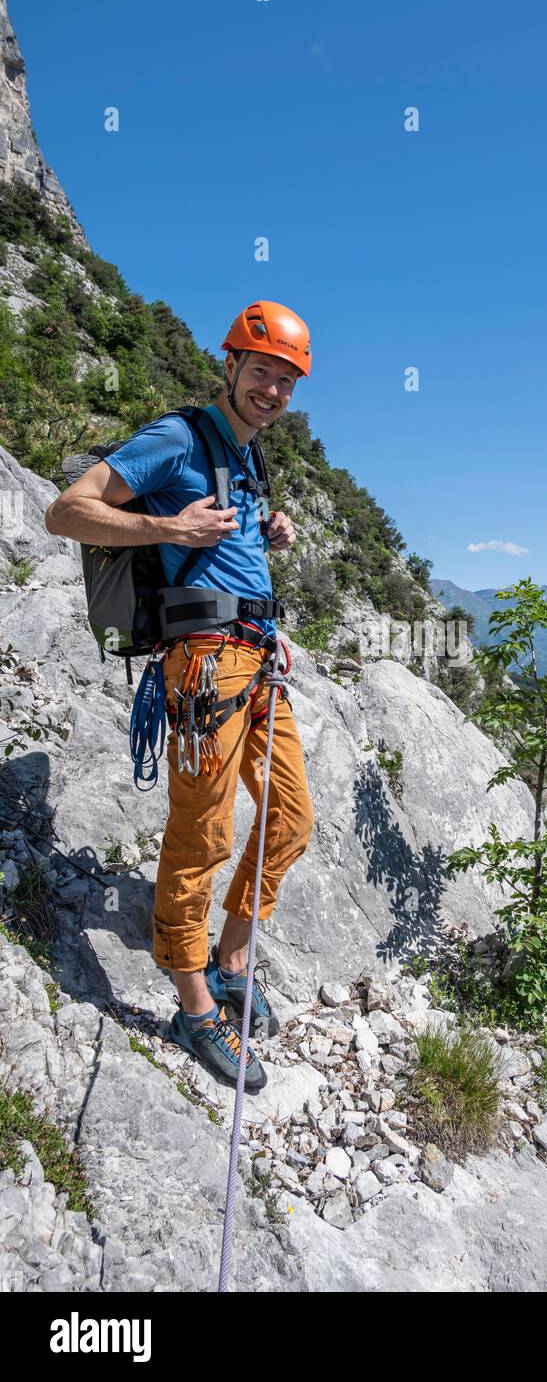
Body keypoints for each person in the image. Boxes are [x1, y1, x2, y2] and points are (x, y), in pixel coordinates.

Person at [44, 301, 315, 1092]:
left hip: (255, 655)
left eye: (285, 380)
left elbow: (226, 539)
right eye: (261, 370)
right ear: (229, 366)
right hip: (201, 663)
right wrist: (169, 530)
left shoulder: (245, 455)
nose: (272, 388)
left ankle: (232, 959)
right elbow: (68, 510)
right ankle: (194, 1006)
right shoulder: (177, 438)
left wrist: (266, 533)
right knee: (200, 834)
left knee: (291, 819)